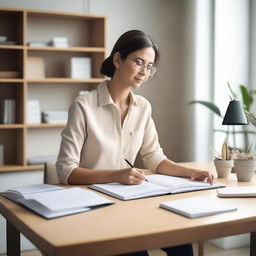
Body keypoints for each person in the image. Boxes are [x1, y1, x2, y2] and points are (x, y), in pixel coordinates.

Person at [56, 30, 214, 256]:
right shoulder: (84, 105)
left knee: (182, 242)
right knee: (136, 252)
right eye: (139, 63)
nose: (144, 72)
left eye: (149, 66)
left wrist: (190, 172)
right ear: (118, 59)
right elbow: (65, 171)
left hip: (133, 201)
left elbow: (155, 158)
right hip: (94, 205)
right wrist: (117, 175)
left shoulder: (143, 106)